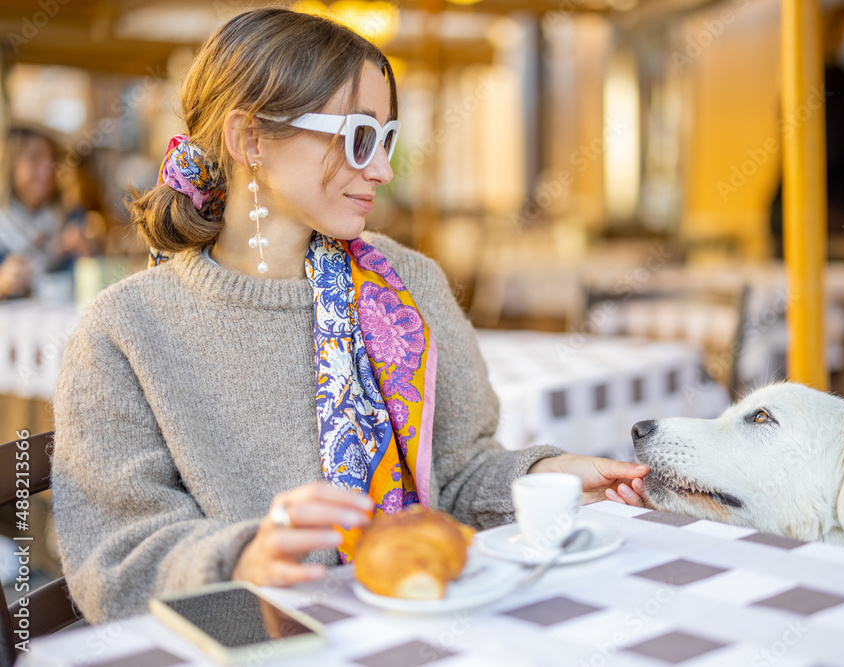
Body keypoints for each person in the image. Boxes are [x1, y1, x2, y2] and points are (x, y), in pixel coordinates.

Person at [51, 8, 648, 624]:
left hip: (425, 618)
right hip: (260, 643)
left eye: (386, 139)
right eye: (359, 137)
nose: (384, 171)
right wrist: (238, 561)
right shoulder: (124, 332)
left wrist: (551, 476)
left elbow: (458, 475)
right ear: (250, 139)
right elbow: (113, 566)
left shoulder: (407, 285)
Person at [769, 5, 844, 259]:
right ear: (838, 33)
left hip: (786, 208)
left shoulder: (801, 78)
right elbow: (836, 152)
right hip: (821, 211)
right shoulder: (836, 78)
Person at [0, 124, 92, 299]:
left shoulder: (71, 217)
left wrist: (89, 255)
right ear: (10, 164)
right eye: (34, 159)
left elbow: (98, 286)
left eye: (52, 160)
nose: (47, 170)